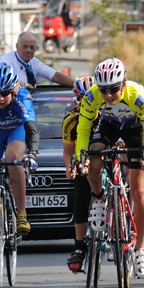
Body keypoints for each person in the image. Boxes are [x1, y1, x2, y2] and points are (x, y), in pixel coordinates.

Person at [76, 58, 144, 279]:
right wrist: (80, 157)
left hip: (136, 129)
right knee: (92, 161)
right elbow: (83, 130)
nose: (109, 95)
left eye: (113, 89)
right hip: (109, 125)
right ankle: (100, 199)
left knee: (138, 188)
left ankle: (141, 248)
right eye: (104, 90)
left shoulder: (136, 95)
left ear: (124, 83)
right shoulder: (91, 96)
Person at [0, 63, 39, 240]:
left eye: (5, 94)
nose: (0, 98)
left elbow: (31, 128)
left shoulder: (23, 97)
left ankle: (21, 214)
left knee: (13, 158)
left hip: (16, 129)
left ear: (13, 91)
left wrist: (32, 153)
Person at [63, 76, 94, 272]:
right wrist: (69, 167)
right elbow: (67, 152)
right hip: (84, 161)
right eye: (82, 99)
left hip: (107, 157)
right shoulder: (71, 120)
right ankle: (79, 247)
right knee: (80, 195)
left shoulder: (107, 114)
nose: (86, 103)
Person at [0, 31, 74, 88]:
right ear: (17, 46)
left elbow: (55, 76)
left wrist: (78, 86)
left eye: (32, 47)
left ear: (36, 49)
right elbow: (4, 80)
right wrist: (24, 85)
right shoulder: (5, 61)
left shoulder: (34, 62)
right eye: (25, 47)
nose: (28, 50)